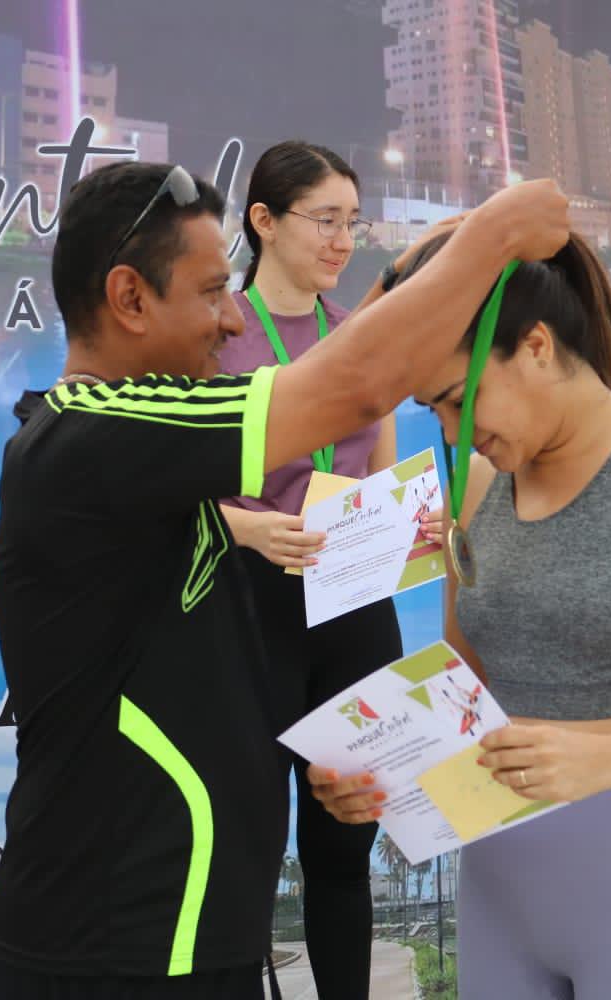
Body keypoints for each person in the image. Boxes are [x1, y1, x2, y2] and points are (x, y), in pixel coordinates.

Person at [0, 161, 570, 998]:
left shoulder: (122, 454)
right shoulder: (98, 432)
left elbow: (341, 375)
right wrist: (496, 234)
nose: (231, 321)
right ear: (129, 298)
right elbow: (355, 386)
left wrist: (409, 276)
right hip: (117, 951)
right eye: (212, 292)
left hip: (183, 938)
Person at [311, 230, 611, 999]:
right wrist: (376, 770)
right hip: (501, 898)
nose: (450, 432)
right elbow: (462, 694)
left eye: (453, 402)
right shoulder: (474, 483)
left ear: (535, 345)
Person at [215, 140, 439, 999]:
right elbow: (171, 487)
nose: (344, 240)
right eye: (326, 221)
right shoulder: (216, 334)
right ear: (264, 223)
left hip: (351, 604)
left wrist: (416, 524)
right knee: (245, 842)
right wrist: (247, 530)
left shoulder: (361, 340)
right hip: (250, 604)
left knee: (343, 845)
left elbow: (378, 470)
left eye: (354, 222)